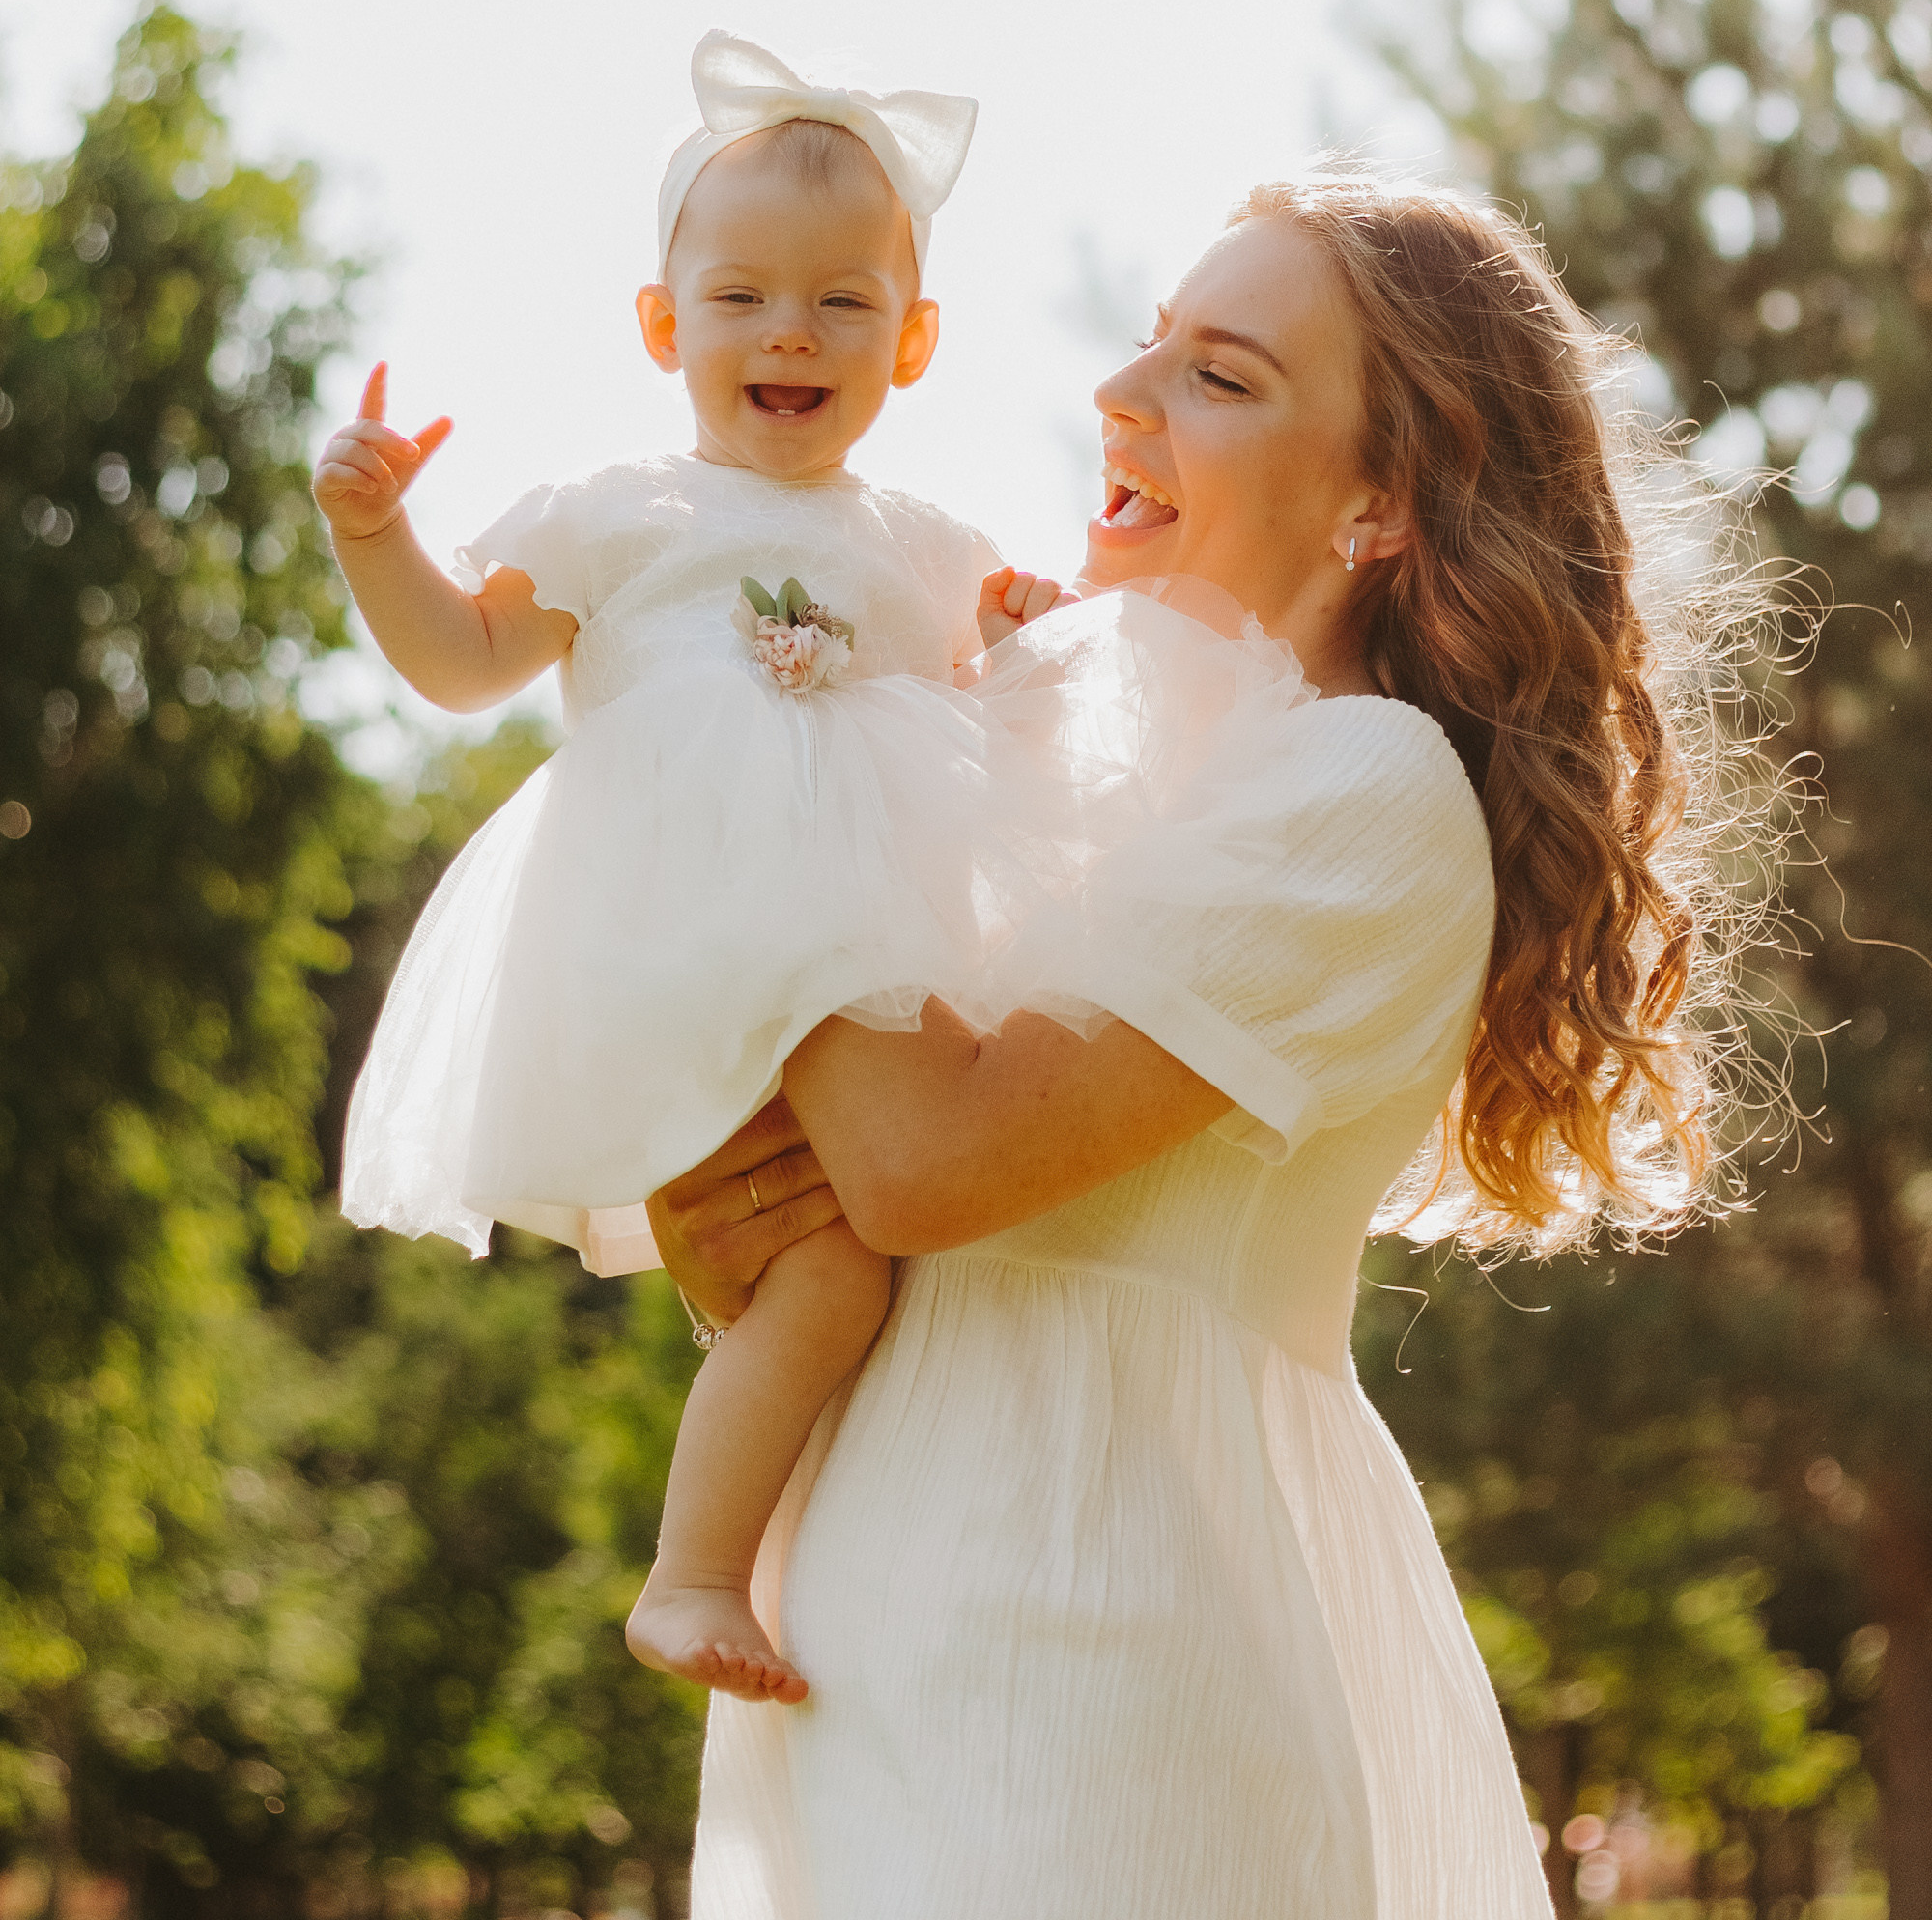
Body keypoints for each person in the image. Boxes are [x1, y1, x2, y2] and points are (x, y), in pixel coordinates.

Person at [648, 168, 1748, 1920]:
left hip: (1094, 1671)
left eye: (1222, 377)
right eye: (1150, 346)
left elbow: (925, 1160)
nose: (1122, 396)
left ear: (1380, 504)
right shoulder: (1069, 781)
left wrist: (751, 723)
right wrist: (733, 1246)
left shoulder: (1363, 786)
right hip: (886, 1650)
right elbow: (846, 1192)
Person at [325, 31, 1062, 1708]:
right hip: (682, 951)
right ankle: (696, 1572)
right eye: (739, 299)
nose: (789, 332)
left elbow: (994, 763)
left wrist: (1023, 650)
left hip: (861, 974)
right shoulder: (615, 516)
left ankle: (756, 1563)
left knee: (871, 1261)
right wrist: (381, 540)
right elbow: (457, 664)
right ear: (665, 328)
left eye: (842, 304)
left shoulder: (933, 548)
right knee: (823, 1261)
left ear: (915, 341)